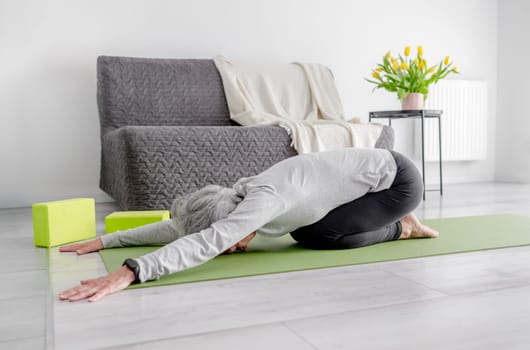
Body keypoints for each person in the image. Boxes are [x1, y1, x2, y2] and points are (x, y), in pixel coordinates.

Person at [59, 148, 438, 302]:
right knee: (302, 231)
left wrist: (131, 273)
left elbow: (208, 241)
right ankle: (390, 218)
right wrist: (109, 241)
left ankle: (403, 226)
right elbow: (180, 229)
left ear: (234, 223)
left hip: (399, 181)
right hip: (360, 184)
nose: (234, 248)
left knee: (322, 237)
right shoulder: (231, 199)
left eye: (232, 242)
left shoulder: (263, 201)